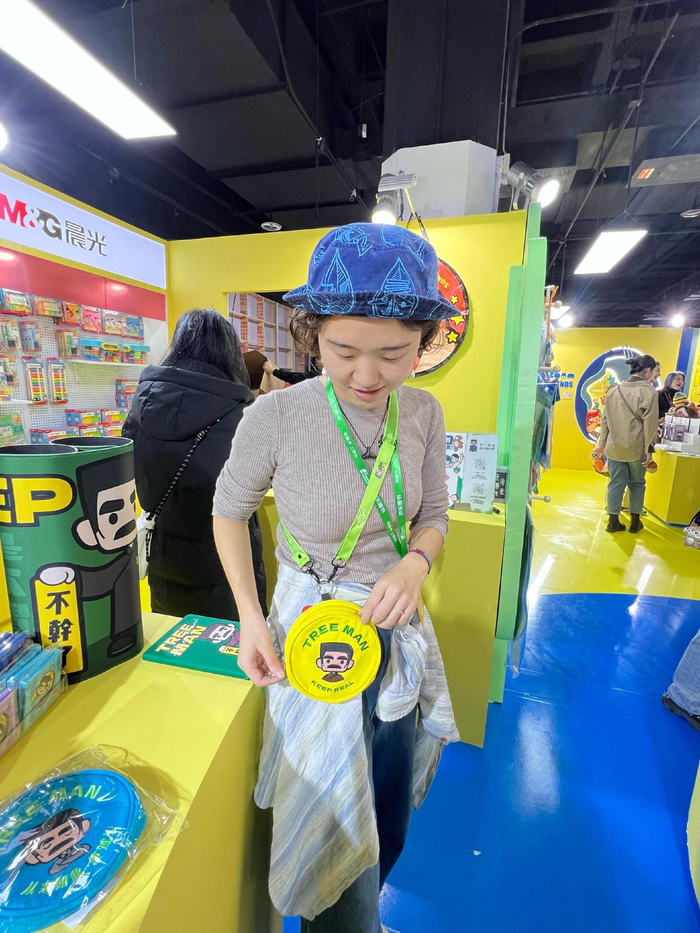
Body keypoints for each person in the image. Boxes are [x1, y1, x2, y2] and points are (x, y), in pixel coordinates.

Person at [212, 222, 459, 933]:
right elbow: (228, 511)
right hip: (310, 634)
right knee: (328, 815)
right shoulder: (277, 413)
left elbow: (434, 515)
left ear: (424, 341)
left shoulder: (424, 411)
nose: (367, 376)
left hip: (394, 639)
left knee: (386, 808)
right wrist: (250, 617)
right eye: (344, 351)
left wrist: (415, 561)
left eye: (394, 353)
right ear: (312, 335)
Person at [123, 308, 266, 620]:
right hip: (228, 559)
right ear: (229, 351)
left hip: (164, 553)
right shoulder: (239, 412)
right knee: (234, 638)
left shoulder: (142, 405)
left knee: (175, 634)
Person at [592, 354, 659, 534]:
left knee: (615, 483)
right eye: (654, 370)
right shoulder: (649, 392)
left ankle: (613, 522)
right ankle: (635, 523)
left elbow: (604, 421)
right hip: (636, 449)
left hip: (614, 448)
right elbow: (650, 424)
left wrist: (601, 445)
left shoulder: (613, 391)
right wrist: (649, 450)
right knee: (637, 484)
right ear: (647, 370)